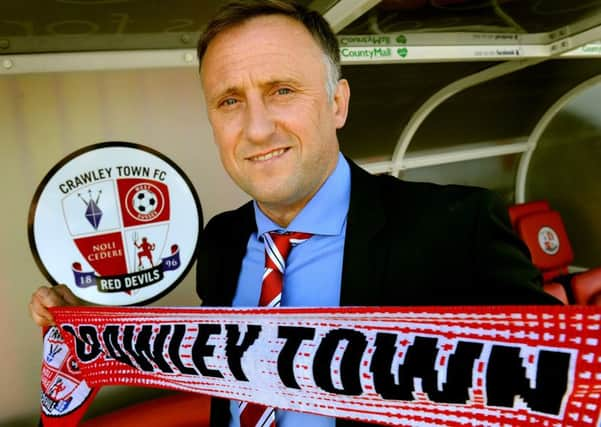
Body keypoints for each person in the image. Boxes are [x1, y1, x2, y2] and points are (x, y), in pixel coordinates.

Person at [30, 1, 560, 426]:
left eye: (281, 90)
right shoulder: (221, 240)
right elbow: (209, 357)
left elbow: (555, 386)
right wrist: (86, 319)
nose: (257, 129)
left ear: (337, 103)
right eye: (229, 101)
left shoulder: (457, 227)